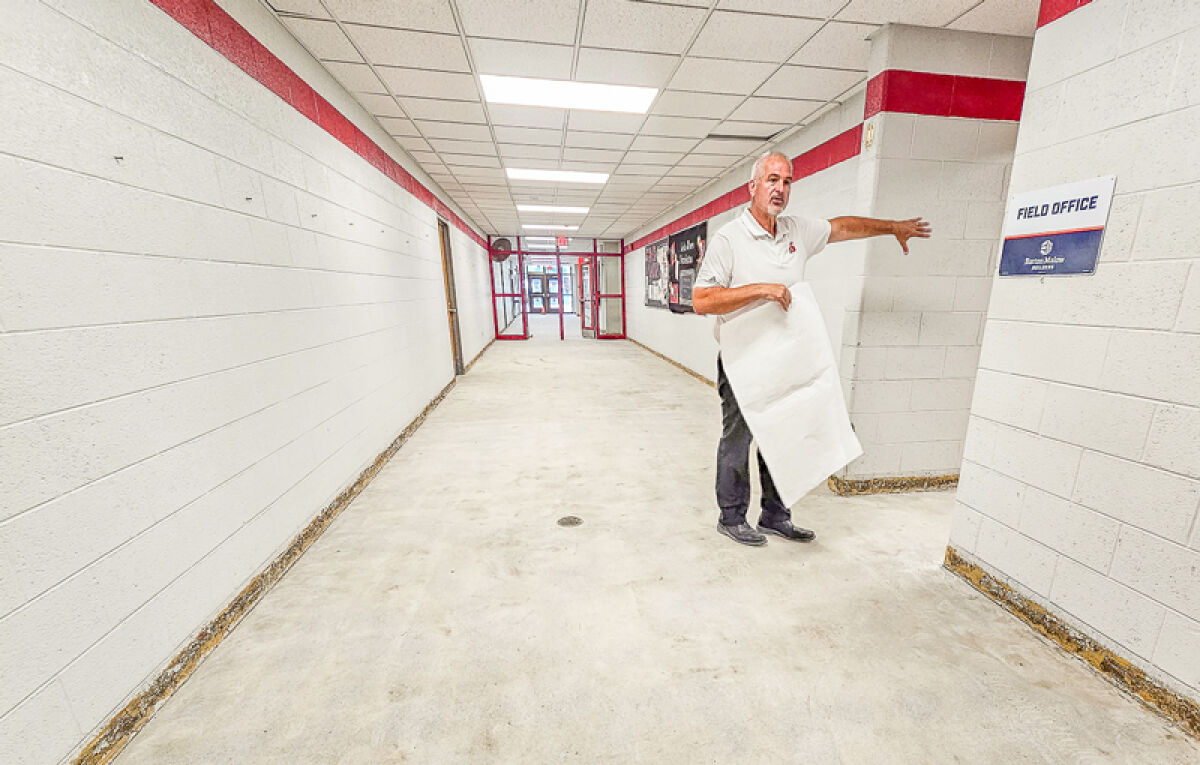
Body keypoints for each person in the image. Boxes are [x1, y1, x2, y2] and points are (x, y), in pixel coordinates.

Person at [692, 151, 931, 547]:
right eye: (772, 180)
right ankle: (731, 517)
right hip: (743, 360)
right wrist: (761, 290)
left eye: (786, 181)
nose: (780, 189)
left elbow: (842, 227)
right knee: (739, 437)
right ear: (753, 186)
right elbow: (702, 300)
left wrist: (892, 227)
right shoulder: (728, 239)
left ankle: (775, 515)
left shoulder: (795, 231)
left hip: (787, 356)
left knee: (784, 431)